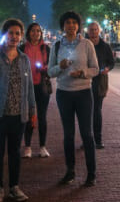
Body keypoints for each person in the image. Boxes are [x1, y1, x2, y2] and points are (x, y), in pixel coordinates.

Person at [0, 18, 36, 202]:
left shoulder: (24, 58)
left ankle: (14, 186)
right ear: (4, 35)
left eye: (17, 33)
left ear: (21, 37)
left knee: (14, 151)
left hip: (17, 113)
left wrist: (32, 110)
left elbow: (29, 87)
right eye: (10, 33)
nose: (14, 37)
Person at [48, 11, 99, 187]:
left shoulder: (86, 44)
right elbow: (50, 72)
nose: (71, 25)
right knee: (68, 135)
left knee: (87, 133)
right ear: (63, 26)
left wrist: (83, 73)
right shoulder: (56, 46)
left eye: (74, 22)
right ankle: (70, 171)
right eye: (67, 22)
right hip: (64, 94)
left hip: (84, 93)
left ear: (78, 25)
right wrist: (59, 67)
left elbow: (95, 69)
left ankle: (91, 173)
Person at [20, 22, 51, 158]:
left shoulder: (46, 49)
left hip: (42, 85)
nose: (36, 33)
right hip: (27, 86)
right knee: (29, 117)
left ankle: (42, 147)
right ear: (28, 33)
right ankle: (27, 147)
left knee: (42, 116)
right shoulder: (21, 48)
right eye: (33, 31)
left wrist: (44, 69)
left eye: (38, 31)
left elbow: (51, 66)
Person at [86, 22, 114, 150]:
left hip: (99, 82)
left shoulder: (105, 46)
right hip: (85, 81)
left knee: (97, 110)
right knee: (86, 113)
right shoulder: (83, 45)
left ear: (99, 31)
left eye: (95, 29)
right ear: (88, 31)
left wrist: (107, 68)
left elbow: (111, 62)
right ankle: (86, 139)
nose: (93, 32)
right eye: (91, 30)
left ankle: (98, 139)